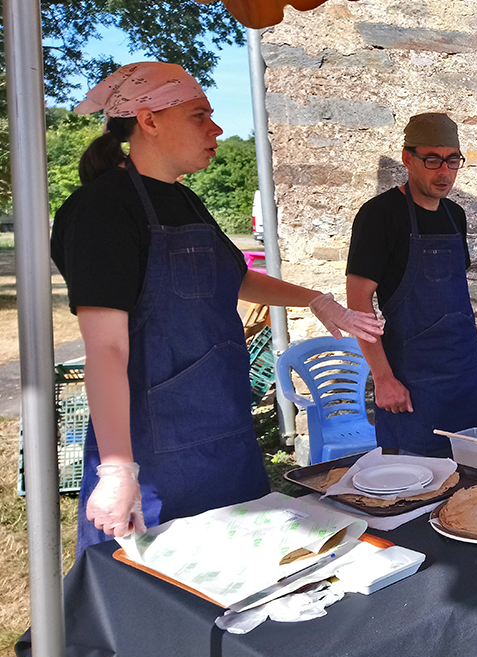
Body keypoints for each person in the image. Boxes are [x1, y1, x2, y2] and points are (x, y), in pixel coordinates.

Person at [53, 63, 383, 554]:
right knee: (155, 595)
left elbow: (237, 277)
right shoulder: (101, 211)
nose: (217, 128)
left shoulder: (185, 201)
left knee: (241, 575)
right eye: (199, 115)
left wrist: (316, 299)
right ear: (149, 119)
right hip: (154, 451)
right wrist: (118, 468)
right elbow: (105, 351)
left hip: (224, 431)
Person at [347, 112, 477, 456]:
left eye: (452, 160)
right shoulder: (380, 215)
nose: (444, 171)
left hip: (462, 378)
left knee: (470, 478)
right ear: (407, 159)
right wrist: (383, 378)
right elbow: (358, 303)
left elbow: (456, 296)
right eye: (432, 160)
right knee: (415, 487)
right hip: (413, 382)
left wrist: (474, 360)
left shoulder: (455, 215)